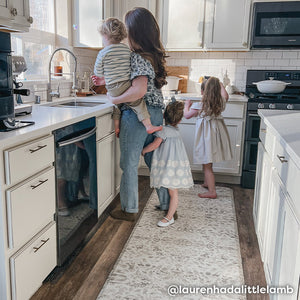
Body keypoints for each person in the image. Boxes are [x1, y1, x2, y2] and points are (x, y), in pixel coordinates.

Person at [92, 7, 170, 221]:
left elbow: (138, 90)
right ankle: (167, 203)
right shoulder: (153, 56)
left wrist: (114, 99)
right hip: (155, 114)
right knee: (156, 161)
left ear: (134, 32)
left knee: (128, 164)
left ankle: (129, 210)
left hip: (136, 116)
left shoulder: (136, 57)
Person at [92, 17, 162, 137]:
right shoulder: (127, 50)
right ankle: (148, 125)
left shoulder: (102, 53)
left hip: (112, 88)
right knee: (138, 104)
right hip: (125, 85)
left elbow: (97, 71)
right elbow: (128, 70)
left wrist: (104, 79)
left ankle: (117, 127)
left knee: (116, 106)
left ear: (105, 36)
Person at [142, 100, 193, 227]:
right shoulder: (176, 131)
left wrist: (144, 150)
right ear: (180, 120)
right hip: (176, 166)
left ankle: (169, 217)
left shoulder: (163, 131)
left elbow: (155, 144)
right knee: (171, 190)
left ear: (164, 116)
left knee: (173, 192)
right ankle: (168, 210)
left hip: (169, 167)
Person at [184, 77, 232, 199]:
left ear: (203, 92)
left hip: (206, 138)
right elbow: (225, 95)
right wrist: (218, 83)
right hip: (215, 136)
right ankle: (207, 182)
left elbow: (187, 116)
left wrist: (186, 105)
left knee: (207, 165)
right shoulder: (221, 101)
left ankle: (212, 191)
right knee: (207, 161)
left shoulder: (200, 104)